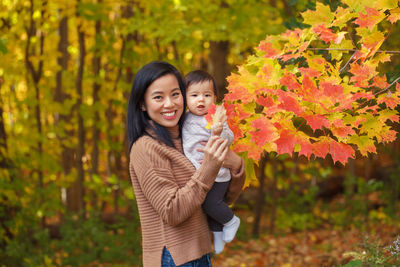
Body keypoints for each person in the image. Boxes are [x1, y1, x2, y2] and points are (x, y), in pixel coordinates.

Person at [127, 61, 246, 267]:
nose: (170, 104)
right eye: (158, 97)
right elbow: (172, 211)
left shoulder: (187, 138)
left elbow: (221, 198)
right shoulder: (145, 148)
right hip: (173, 258)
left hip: (200, 254)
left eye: (175, 94)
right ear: (142, 104)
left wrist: (235, 166)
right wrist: (209, 166)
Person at [182, 70, 241, 254]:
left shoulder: (216, 118)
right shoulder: (184, 118)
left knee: (211, 204)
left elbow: (229, 139)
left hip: (218, 174)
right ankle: (218, 238)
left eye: (207, 95)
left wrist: (218, 130)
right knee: (207, 212)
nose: (201, 100)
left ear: (215, 97)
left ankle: (231, 221)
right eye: (194, 95)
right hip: (198, 173)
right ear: (184, 98)